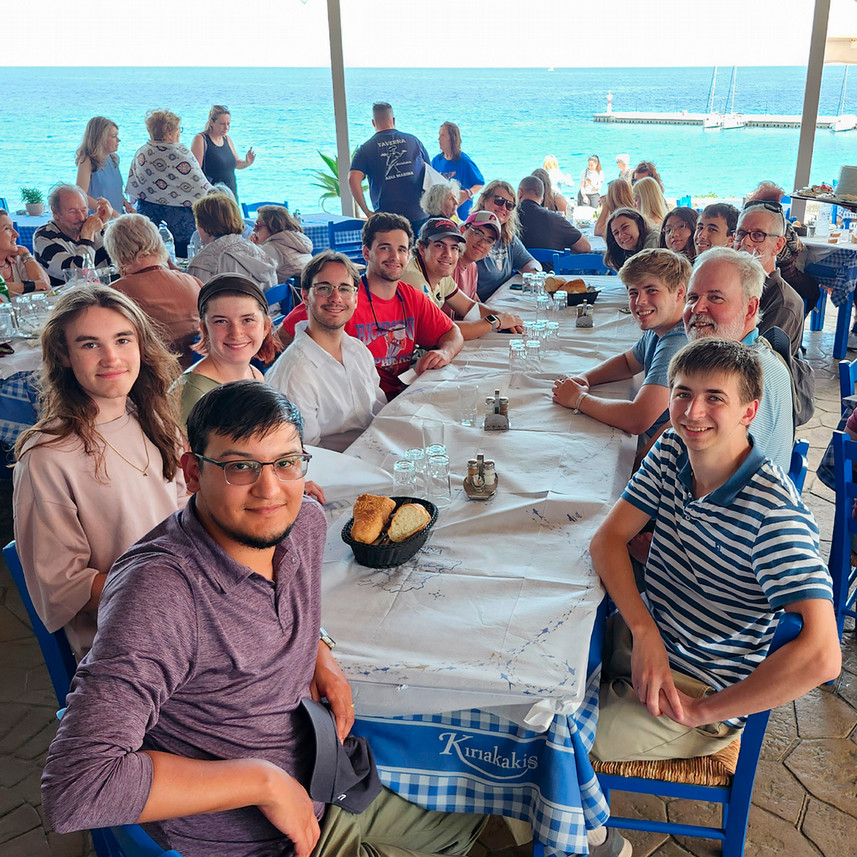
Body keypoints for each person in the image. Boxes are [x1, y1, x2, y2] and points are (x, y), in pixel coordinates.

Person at [41, 380, 488, 857]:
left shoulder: (305, 524)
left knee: (472, 817)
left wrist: (319, 651)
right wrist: (263, 782)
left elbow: (270, 606)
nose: (270, 490)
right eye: (240, 467)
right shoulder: (161, 595)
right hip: (248, 838)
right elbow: (76, 791)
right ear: (192, 474)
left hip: (324, 776)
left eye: (286, 463)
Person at [589, 336, 840, 764]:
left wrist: (704, 710)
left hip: (701, 685)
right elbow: (607, 540)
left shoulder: (772, 514)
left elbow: (823, 655)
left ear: (749, 411)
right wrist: (645, 629)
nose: (692, 412)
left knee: (569, 739)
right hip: (647, 636)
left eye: (714, 398)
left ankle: (594, 834)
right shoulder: (672, 449)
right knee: (545, 679)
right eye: (682, 393)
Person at [12, 284, 187, 656]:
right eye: (90, 345)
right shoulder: (48, 455)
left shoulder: (154, 420)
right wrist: (160, 584)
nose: (111, 357)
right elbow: (61, 584)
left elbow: (184, 506)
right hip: (120, 636)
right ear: (63, 355)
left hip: (180, 607)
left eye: (123, 340)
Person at [278, 213, 464, 399]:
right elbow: (279, 341)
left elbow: (452, 332)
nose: (394, 257)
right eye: (385, 248)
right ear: (367, 252)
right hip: (353, 405)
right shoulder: (341, 299)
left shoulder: (411, 297)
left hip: (400, 396)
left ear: (408, 255)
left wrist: (444, 352)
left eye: (401, 249)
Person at [552, 249, 689, 444]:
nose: (640, 302)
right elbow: (627, 363)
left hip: (661, 445)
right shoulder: (661, 326)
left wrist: (578, 400)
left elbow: (637, 419)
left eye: (651, 290)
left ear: (680, 292)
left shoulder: (678, 342)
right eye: (633, 292)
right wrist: (585, 378)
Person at [683, 246, 793, 472]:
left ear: (750, 308)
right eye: (692, 297)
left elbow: (717, 475)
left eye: (715, 297)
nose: (697, 307)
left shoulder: (753, 375)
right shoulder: (724, 362)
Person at [266, 251, 386, 450]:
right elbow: (306, 453)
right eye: (324, 288)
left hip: (374, 451)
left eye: (345, 289)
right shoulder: (296, 373)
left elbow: (377, 409)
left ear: (355, 298)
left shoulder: (358, 350)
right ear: (305, 296)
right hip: (337, 470)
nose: (335, 297)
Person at [175, 273, 279, 424]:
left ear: (265, 327)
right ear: (205, 330)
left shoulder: (254, 374)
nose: (236, 333)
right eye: (221, 321)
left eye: (247, 320)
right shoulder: (194, 395)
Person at [104, 214, 202, 367]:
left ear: (116, 253)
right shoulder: (193, 281)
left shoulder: (116, 294)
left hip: (156, 377)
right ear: (158, 243)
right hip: (202, 371)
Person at [400, 217, 523, 338]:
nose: (447, 255)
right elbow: (441, 329)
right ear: (422, 248)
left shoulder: (440, 272)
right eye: (439, 246)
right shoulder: (413, 278)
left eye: (453, 248)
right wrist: (495, 321)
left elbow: (469, 307)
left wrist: (506, 318)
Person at [126, 109, 212, 257]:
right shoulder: (181, 153)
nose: (179, 133)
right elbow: (202, 189)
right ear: (169, 133)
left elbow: (135, 185)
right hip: (181, 224)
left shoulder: (142, 152)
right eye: (178, 129)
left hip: (149, 223)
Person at [733, 203, 805, 358]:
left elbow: (755, 363)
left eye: (758, 235)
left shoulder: (784, 304)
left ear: (778, 245)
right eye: (741, 233)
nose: (746, 242)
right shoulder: (733, 287)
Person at [348, 102, 429, 225]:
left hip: (387, 219)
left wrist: (367, 212)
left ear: (373, 123)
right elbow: (429, 174)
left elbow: (353, 179)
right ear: (393, 120)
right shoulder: (413, 140)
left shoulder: (366, 148)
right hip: (418, 213)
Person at [745, 182, 820, 309]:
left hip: (756, 274)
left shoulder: (746, 221)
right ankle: (799, 318)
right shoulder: (783, 226)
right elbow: (797, 247)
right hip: (786, 276)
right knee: (814, 291)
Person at [186, 193, 277, 291]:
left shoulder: (206, 263)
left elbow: (194, 299)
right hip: (262, 305)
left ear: (204, 224)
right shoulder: (257, 251)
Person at [472, 180, 541, 301]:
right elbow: (464, 288)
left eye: (509, 205)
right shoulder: (469, 232)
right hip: (479, 305)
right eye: (499, 201)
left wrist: (533, 274)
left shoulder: (508, 237)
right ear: (484, 200)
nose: (503, 207)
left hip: (501, 302)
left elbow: (531, 262)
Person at [34, 184, 112, 286]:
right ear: (55, 212)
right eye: (73, 211)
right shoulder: (44, 237)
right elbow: (80, 276)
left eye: (84, 210)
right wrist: (87, 235)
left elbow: (122, 263)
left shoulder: (93, 229)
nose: (81, 217)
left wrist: (105, 225)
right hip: (68, 299)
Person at [191, 105, 256, 203]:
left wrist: (247, 162)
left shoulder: (227, 139)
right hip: (213, 195)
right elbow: (196, 171)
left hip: (231, 192)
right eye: (222, 124)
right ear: (211, 122)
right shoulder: (201, 139)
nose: (226, 128)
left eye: (228, 124)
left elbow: (236, 163)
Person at [516, 176, 590, 256]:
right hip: (550, 268)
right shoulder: (554, 219)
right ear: (541, 198)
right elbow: (585, 247)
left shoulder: (509, 217)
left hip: (517, 268)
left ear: (520, 193)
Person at [75, 116, 133, 217]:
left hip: (116, 218)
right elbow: (81, 196)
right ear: (100, 138)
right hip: (99, 220)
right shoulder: (87, 161)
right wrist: (109, 211)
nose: (118, 140)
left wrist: (125, 203)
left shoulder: (113, 159)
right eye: (114, 136)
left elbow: (114, 190)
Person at [431, 121, 484, 220]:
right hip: (442, 213)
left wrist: (469, 193)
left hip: (461, 214)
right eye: (439, 135)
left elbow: (479, 183)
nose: (439, 139)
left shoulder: (464, 161)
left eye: (442, 135)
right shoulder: (436, 161)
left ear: (451, 138)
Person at [249, 205, 313, 285]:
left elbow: (254, 275)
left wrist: (252, 247)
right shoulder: (296, 239)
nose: (254, 229)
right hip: (307, 290)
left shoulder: (272, 248)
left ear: (272, 226)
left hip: (295, 294)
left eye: (258, 225)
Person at [452, 210, 503, 303]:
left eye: (489, 241)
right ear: (462, 229)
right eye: (478, 234)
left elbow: (473, 305)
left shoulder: (472, 267)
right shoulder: (448, 264)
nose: (482, 244)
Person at [0, 209, 50, 293]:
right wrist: (32, 286)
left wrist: (26, 255)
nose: (16, 234)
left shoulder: (19, 258)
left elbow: (44, 286)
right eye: (7, 229)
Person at [603, 207, 658, 272]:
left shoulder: (654, 239)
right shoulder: (625, 253)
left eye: (625, 227)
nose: (621, 235)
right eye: (616, 233)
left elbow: (643, 274)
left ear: (639, 223)